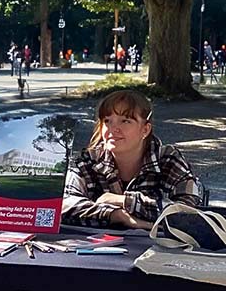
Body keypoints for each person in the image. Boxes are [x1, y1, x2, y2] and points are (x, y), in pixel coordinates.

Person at [63, 90, 203, 229]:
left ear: (145, 130)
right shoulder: (86, 161)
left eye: (125, 121)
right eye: (107, 121)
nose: (113, 128)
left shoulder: (169, 160)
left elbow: (190, 213)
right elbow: (62, 205)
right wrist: (118, 216)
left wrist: (126, 201)